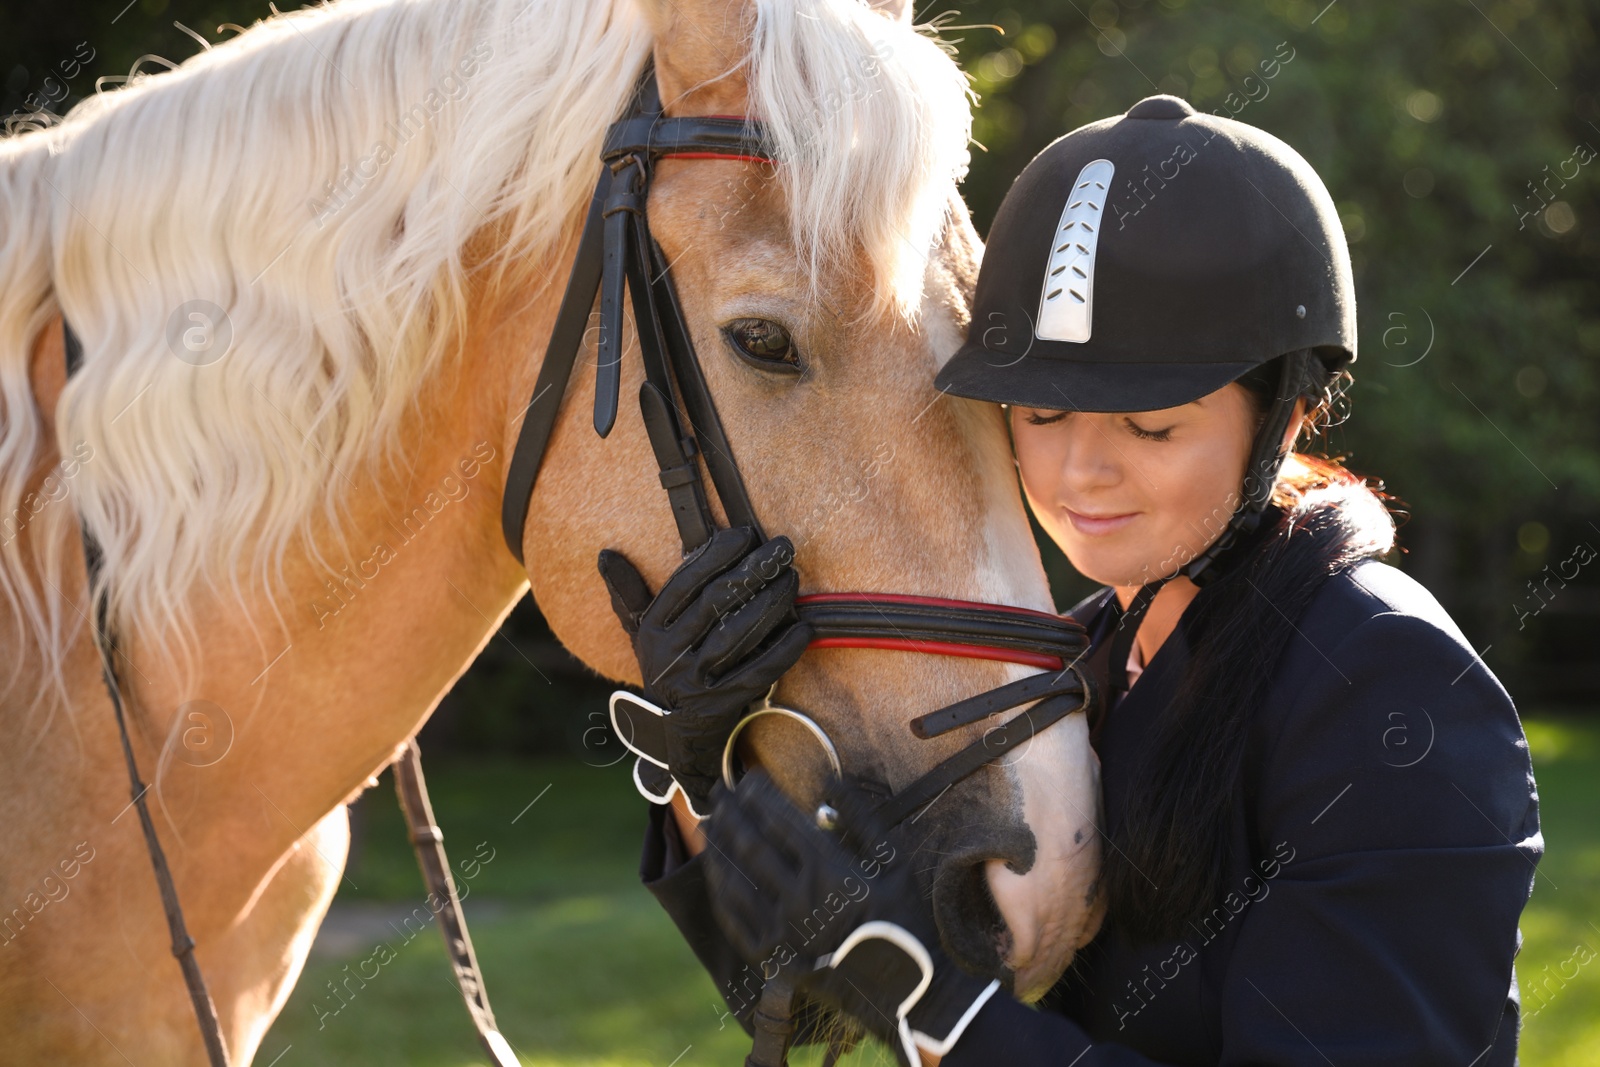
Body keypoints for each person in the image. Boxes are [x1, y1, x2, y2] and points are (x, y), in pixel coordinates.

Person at [597, 95, 1542, 1065]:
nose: (1078, 474)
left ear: (1287, 415)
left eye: (1150, 426)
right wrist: (702, 765)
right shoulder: (1083, 657)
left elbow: (920, 1003)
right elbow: (804, 1009)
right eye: (1040, 416)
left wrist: (941, 1007)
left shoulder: (1393, 688)